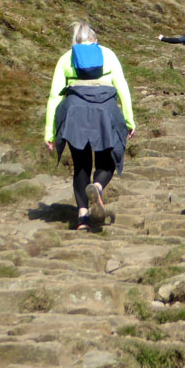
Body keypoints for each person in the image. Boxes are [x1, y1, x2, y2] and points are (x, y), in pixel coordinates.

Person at [44, 22, 135, 230]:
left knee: (81, 164)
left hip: (75, 112)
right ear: (95, 39)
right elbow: (123, 88)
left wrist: (50, 131)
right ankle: (98, 186)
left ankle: (83, 217)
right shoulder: (108, 54)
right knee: (107, 160)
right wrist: (129, 119)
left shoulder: (66, 58)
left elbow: (53, 97)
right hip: (105, 112)